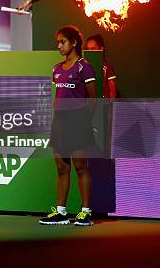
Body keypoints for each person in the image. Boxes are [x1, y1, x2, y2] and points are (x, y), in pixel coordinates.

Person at [40, 25, 97, 227]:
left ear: (74, 43)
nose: (59, 46)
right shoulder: (56, 69)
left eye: (62, 41)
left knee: (81, 168)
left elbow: (93, 98)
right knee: (61, 168)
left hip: (78, 121)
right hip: (60, 122)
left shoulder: (84, 67)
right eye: (58, 42)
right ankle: (61, 212)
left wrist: (85, 123)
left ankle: (85, 212)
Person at [85, 34, 117, 99]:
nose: (90, 52)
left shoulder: (107, 66)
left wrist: (110, 99)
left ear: (101, 49)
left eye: (93, 49)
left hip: (103, 103)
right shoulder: (83, 66)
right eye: (88, 49)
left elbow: (112, 86)